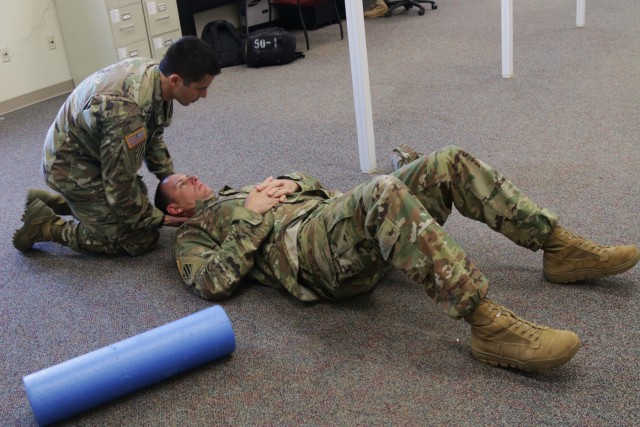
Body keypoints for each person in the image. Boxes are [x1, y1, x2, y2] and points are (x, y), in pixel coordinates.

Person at [156, 145, 639, 373]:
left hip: (334, 222)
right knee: (386, 190)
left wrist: (293, 183)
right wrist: (255, 216)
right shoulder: (192, 235)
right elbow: (213, 284)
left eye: (189, 173)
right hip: (308, 256)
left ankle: (557, 246)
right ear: (174, 209)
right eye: (180, 183)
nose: (192, 177)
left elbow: (322, 190)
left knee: (446, 160)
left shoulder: (242, 188)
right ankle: (488, 325)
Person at [13, 36, 221, 257]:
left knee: (137, 200)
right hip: (68, 166)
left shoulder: (155, 75)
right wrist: (159, 218)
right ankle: (45, 226)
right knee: (140, 237)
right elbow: (119, 187)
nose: (204, 95)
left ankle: (59, 203)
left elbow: (153, 136)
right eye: (201, 88)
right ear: (176, 80)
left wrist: (168, 178)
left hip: (90, 154)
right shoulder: (128, 114)